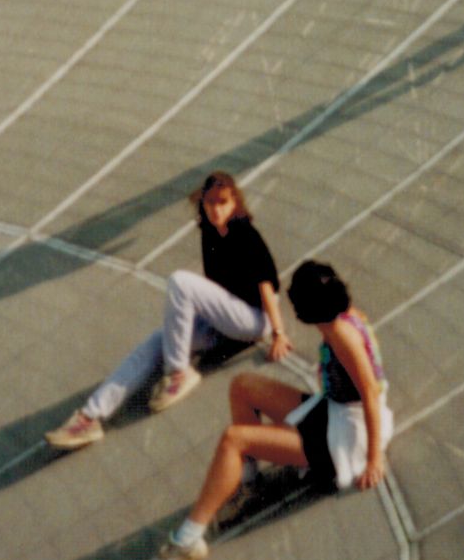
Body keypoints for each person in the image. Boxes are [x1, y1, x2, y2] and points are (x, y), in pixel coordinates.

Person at [146, 257, 392, 560]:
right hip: (336, 411)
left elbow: (370, 392)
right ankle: (247, 481)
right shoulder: (344, 317)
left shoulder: (341, 333)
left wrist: (373, 459)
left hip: (347, 436)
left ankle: (188, 540)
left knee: (233, 440)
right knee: (243, 386)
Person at [47, 171, 289, 450]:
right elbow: (213, 290)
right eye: (211, 202)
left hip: (255, 318)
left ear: (235, 202)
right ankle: (90, 417)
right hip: (223, 319)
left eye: (223, 202)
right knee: (155, 343)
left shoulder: (245, 235)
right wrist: (185, 328)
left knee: (180, 281)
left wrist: (278, 333)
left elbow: (265, 286)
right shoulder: (209, 232)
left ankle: (178, 373)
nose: (216, 209)